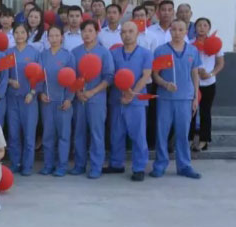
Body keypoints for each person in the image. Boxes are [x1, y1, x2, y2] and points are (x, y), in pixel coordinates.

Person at [151, 19, 201, 179]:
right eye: (174, 29)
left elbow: (195, 74)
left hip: (185, 98)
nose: (177, 33)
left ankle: (184, 165)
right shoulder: (161, 51)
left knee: (182, 134)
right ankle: (160, 164)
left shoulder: (193, 51)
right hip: (165, 98)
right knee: (162, 133)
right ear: (170, 31)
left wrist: (195, 97)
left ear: (186, 32)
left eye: (181, 30)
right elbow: (155, 75)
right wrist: (165, 84)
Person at [107, 21, 154, 180]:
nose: (127, 35)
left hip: (136, 100)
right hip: (117, 99)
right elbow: (112, 75)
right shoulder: (113, 53)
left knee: (138, 135)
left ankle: (139, 168)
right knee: (116, 133)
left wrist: (131, 94)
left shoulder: (146, 53)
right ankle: (116, 164)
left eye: (130, 31)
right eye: (124, 32)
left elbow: (146, 75)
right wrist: (123, 92)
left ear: (137, 33)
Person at [70, 18, 115, 178]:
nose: (87, 34)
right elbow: (71, 75)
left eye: (90, 31)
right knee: (79, 132)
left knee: (97, 133)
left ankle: (96, 166)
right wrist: (77, 92)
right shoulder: (75, 52)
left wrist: (92, 92)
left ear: (96, 33)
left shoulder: (104, 52)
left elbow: (109, 77)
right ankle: (79, 164)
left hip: (97, 99)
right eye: (84, 31)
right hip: (79, 98)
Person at [38, 22, 76, 176]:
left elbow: (73, 79)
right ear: (47, 38)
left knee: (63, 136)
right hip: (47, 101)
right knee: (48, 136)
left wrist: (69, 99)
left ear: (62, 37)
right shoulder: (42, 55)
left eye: (56, 35)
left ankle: (62, 165)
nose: (53, 38)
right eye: (51, 36)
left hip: (63, 102)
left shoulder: (68, 56)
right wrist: (41, 93)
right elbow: (39, 77)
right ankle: (48, 165)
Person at [5, 22, 41, 175]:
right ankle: (15, 162)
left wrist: (32, 93)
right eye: (16, 32)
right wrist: (10, 81)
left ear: (28, 34)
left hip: (29, 100)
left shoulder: (34, 53)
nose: (19, 35)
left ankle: (27, 165)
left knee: (29, 134)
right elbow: (3, 76)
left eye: (22, 32)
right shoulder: (8, 53)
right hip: (12, 98)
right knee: (13, 133)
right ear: (13, 35)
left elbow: (40, 77)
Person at [189, 16, 225, 152]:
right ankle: (190, 139)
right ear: (195, 28)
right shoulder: (190, 44)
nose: (202, 28)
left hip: (209, 83)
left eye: (205, 25)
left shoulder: (215, 43)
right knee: (191, 112)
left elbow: (220, 63)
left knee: (205, 112)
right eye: (199, 25)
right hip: (192, 82)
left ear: (209, 28)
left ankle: (204, 140)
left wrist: (210, 74)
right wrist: (196, 70)